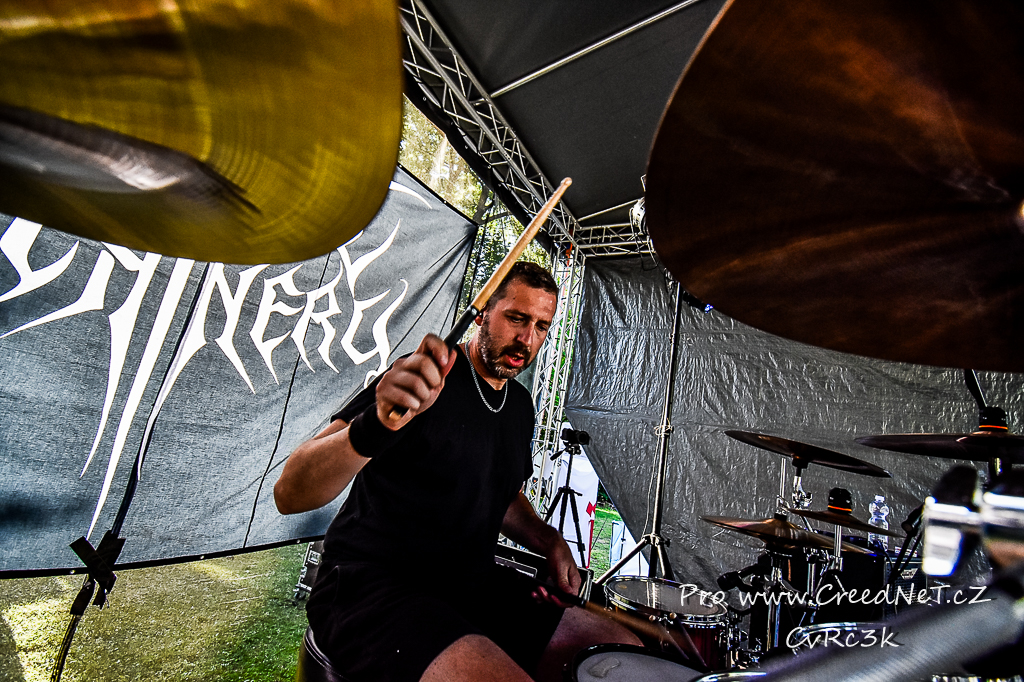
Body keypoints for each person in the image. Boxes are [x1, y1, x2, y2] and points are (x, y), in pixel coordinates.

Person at [274, 261, 637, 682]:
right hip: (373, 586)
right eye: (516, 318)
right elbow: (290, 493)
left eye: (541, 326)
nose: (527, 339)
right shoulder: (423, 379)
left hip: (470, 583)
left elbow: (499, 493)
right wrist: (377, 423)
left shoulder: (520, 406)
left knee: (620, 652)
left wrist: (548, 539)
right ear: (482, 313)